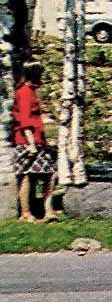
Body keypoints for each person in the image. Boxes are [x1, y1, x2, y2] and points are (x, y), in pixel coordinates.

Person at [11, 66, 58, 222]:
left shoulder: (29, 91)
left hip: (37, 140)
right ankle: (26, 213)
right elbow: (24, 120)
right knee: (27, 177)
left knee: (49, 174)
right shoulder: (24, 93)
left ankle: (48, 210)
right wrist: (31, 143)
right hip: (27, 141)